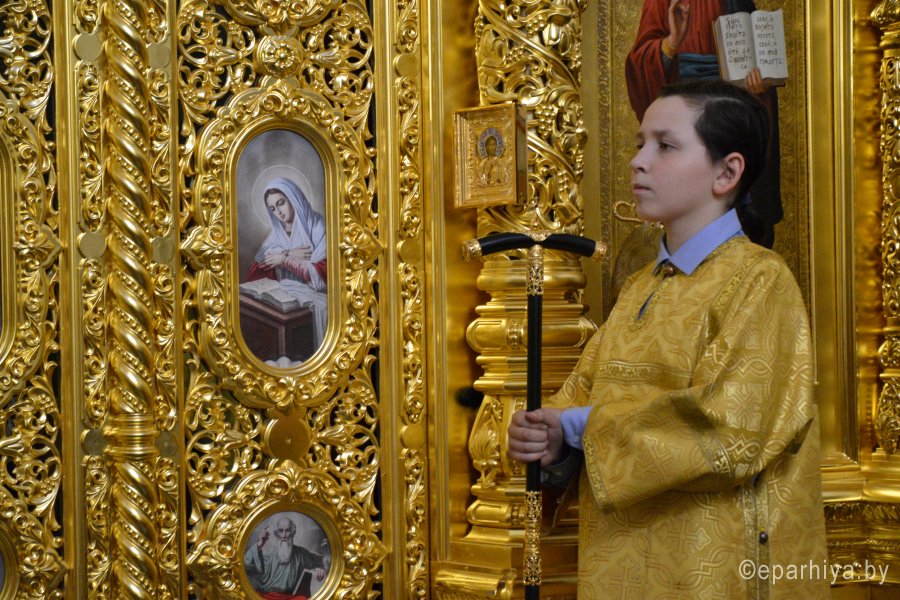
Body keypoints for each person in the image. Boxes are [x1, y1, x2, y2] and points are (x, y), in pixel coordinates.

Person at [508, 80, 828, 599]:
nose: (638, 161)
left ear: (727, 172)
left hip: (711, 568)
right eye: (640, 144)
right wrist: (547, 440)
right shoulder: (640, 286)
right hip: (617, 568)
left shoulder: (760, 281)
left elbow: (731, 431)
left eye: (665, 145)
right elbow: (577, 403)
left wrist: (576, 426)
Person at [625, 0, 782, 248]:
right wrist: (671, 43)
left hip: (731, 112)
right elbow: (639, 66)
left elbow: (757, 58)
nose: (638, 161)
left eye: (664, 146)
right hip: (687, 109)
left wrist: (758, 84)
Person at [246, 177, 328, 353]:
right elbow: (261, 262)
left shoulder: (317, 225)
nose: (279, 212)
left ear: (293, 198)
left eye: (281, 203)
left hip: (316, 294)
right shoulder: (277, 233)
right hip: (285, 296)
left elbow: (323, 274)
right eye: (272, 209)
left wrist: (283, 260)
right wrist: (289, 253)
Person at [244, 516, 327, 600]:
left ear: (293, 533)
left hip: (292, 597)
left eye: (287, 531)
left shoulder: (302, 554)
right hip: (267, 596)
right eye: (281, 531)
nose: (284, 535)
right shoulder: (267, 554)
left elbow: (316, 569)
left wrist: (318, 571)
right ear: (276, 534)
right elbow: (246, 564)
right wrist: (259, 544)